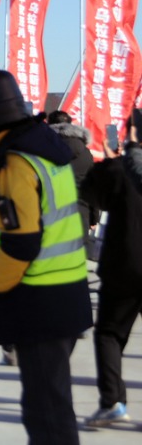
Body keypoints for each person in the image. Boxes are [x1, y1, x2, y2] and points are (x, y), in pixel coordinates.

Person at [0, 70, 92, 444]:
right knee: (53, 401)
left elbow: (21, 241)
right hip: (67, 292)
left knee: (45, 411)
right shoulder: (49, 152)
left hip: (37, 300)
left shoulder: (14, 163)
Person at [79, 119, 142, 427]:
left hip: (124, 265)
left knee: (109, 334)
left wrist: (111, 159)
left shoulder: (117, 170)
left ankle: (112, 401)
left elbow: (92, 197)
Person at [47, 110, 98, 254]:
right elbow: (92, 187)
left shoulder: (42, 150)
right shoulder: (86, 153)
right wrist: (94, 217)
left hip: (51, 214)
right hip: (80, 214)